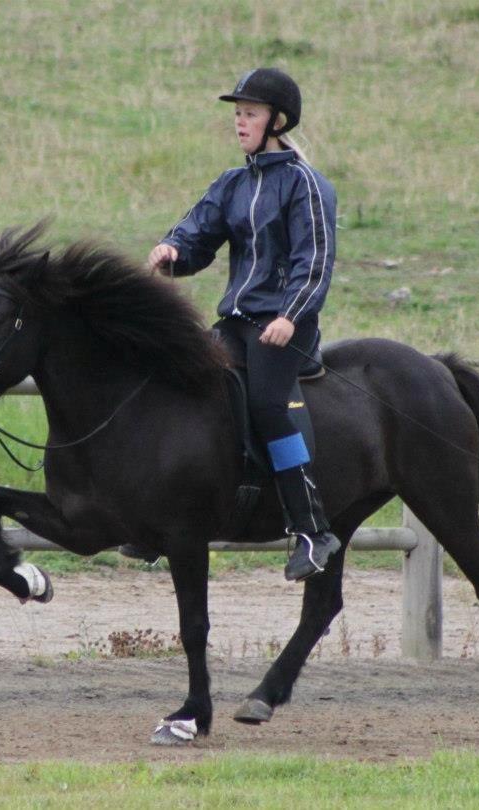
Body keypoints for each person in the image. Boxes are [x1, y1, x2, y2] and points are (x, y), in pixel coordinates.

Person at [123, 67, 340, 582]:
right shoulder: (233, 183)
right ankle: (161, 519)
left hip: (287, 324)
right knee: (180, 383)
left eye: (250, 114)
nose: (240, 123)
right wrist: (173, 250)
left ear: (277, 121)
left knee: (267, 404)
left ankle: (312, 528)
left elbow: (317, 260)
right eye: (238, 114)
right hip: (238, 322)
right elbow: (198, 232)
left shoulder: (308, 186)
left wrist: (291, 315)